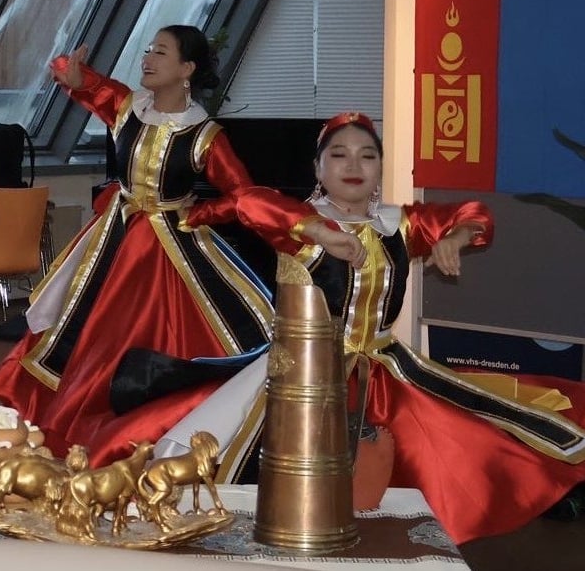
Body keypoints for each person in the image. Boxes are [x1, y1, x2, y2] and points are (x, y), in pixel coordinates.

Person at [153, 111, 585, 545]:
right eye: (338, 155)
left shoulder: (397, 224)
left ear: (380, 168)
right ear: (318, 169)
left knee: (470, 440)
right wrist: (320, 232)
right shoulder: (300, 222)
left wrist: (455, 237)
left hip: (385, 366)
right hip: (305, 373)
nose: (354, 166)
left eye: (367, 156)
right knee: (263, 473)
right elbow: (249, 200)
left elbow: (474, 213)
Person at [0, 25, 277, 466]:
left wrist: (198, 214)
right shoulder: (130, 108)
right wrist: (70, 70)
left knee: (143, 332)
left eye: (161, 52)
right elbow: (89, 87)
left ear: (187, 69)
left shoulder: (202, 134)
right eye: (148, 50)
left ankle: (138, 425)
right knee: (85, 328)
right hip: (115, 236)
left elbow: (243, 194)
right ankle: (62, 411)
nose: (148, 59)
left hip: (167, 251)